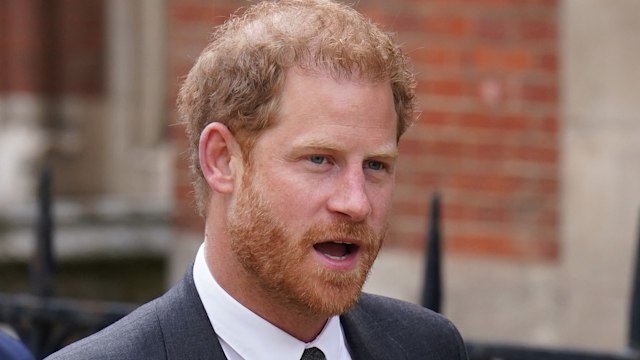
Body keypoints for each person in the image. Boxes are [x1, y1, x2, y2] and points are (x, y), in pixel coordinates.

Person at [47, 1, 467, 359]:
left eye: (376, 165)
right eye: (320, 159)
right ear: (222, 160)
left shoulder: (427, 346)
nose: (356, 203)